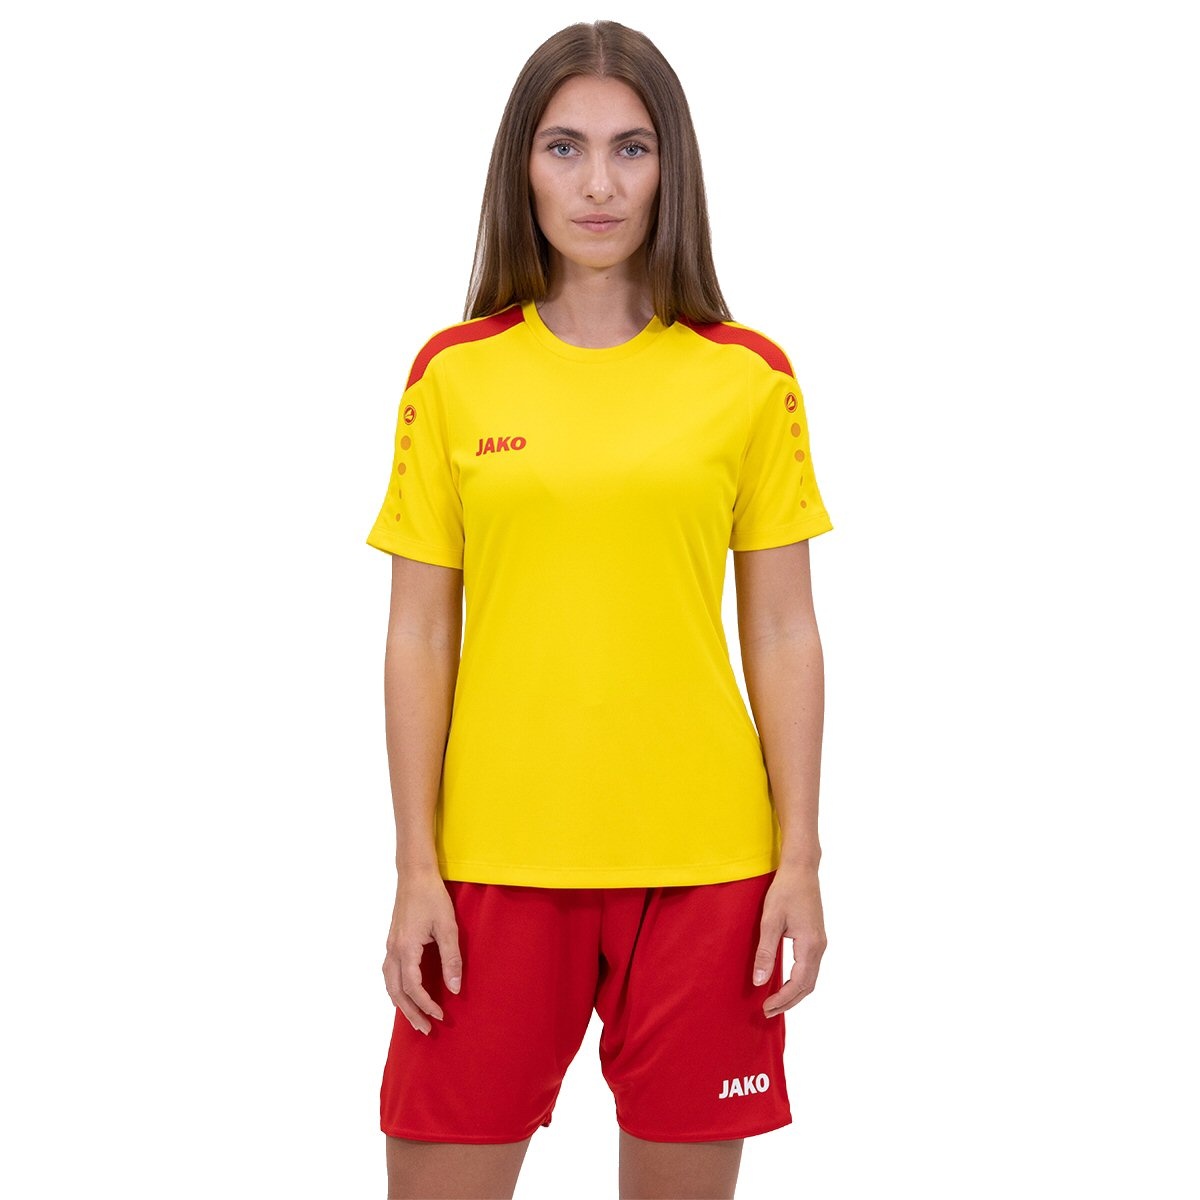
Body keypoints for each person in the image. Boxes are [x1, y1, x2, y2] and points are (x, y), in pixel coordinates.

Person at [365, 19, 833, 1199]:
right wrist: (415, 866)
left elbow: (783, 629)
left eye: (632, 149)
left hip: (706, 871)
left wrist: (800, 859)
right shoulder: (454, 374)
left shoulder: (748, 376)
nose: (599, 185)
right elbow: (419, 632)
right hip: (490, 868)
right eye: (564, 147)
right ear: (521, 167)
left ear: (671, 167)